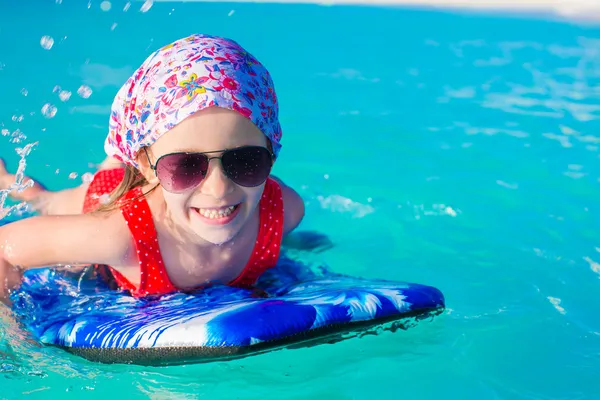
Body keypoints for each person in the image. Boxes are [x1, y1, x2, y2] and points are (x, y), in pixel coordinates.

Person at [0, 33, 306, 304]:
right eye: (186, 165)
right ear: (145, 165)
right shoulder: (118, 237)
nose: (219, 188)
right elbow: (4, 247)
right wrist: (14, 335)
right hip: (112, 200)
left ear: (272, 152)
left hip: (162, 177)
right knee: (48, 202)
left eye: (245, 162)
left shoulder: (284, 213)